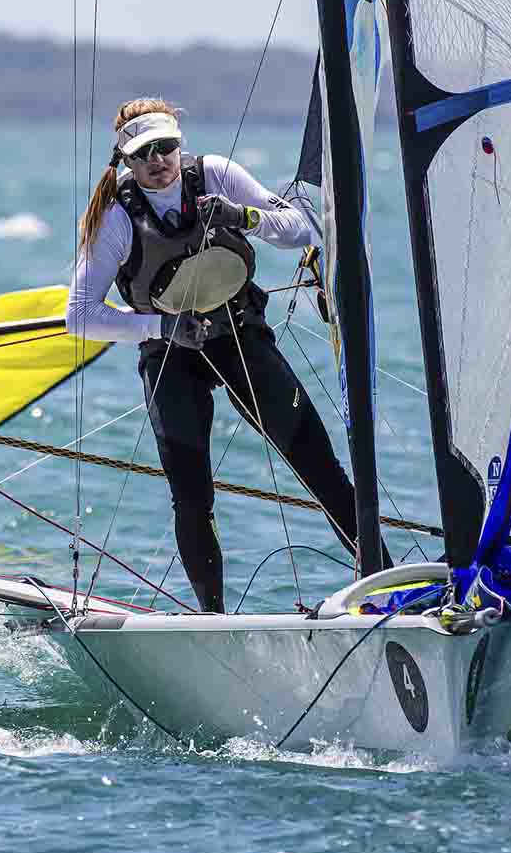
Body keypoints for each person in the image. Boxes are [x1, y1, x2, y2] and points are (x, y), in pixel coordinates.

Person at [66, 98, 389, 613]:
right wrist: (163, 326)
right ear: (126, 160)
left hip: (241, 336)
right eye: (142, 153)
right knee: (192, 497)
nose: (157, 160)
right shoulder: (116, 219)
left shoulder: (216, 173)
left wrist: (247, 216)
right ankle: (213, 618)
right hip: (171, 356)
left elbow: (305, 229)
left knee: (319, 466)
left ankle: (386, 583)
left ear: (179, 144)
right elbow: (79, 315)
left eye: (165, 147)